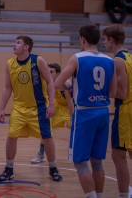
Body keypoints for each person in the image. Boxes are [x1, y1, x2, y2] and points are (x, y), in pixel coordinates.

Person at [55, 24, 117, 198]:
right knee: (97, 162)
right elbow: (112, 93)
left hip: (84, 113)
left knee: (80, 162)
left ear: (82, 39)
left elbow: (58, 84)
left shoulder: (77, 58)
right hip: (104, 113)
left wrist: (70, 86)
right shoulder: (109, 60)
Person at [0, 35, 63, 182]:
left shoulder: (38, 60)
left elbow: (50, 83)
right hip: (19, 108)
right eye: (15, 42)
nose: (14, 45)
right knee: (11, 136)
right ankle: (9, 169)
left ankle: (53, 168)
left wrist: (51, 104)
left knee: (47, 137)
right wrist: (1, 108)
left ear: (26, 47)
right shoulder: (10, 64)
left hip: (39, 108)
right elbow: (7, 88)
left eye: (18, 43)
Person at [102, 24, 132, 198]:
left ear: (111, 40)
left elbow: (121, 93)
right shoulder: (130, 57)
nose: (104, 43)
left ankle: (123, 195)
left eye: (105, 40)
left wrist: (102, 90)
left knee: (118, 156)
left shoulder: (117, 61)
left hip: (126, 111)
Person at [31, 63, 73, 164]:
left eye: (52, 72)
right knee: (45, 126)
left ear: (58, 73)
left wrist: (73, 117)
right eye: (48, 72)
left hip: (69, 107)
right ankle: (41, 154)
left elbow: (70, 103)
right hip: (57, 104)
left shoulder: (66, 84)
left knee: (76, 128)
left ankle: (77, 151)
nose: (49, 74)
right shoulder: (47, 83)